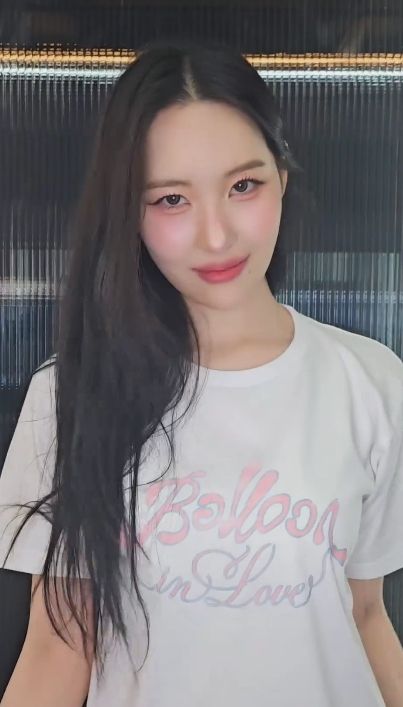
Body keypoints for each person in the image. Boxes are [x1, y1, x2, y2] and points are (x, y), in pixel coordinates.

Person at [0, 39, 403, 707]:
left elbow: (364, 615)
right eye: (169, 200)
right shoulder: (70, 395)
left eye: (243, 186)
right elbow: (59, 645)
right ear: (128, 212)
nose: (216, 236)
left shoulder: (372, 381)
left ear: (282, 177)